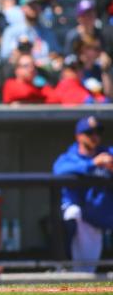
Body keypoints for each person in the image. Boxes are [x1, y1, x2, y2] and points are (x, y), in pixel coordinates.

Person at [53, 116, 113, 272]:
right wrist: (92, 164)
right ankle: (62, 263)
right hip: (79, 218)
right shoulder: (71, 156)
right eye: (89, 132)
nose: (95, 136)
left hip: (99, 219)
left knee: (87, 272)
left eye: (98, 132)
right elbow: (59, 170)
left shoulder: (107, 153)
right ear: (78, 136)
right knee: (73, 214)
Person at [0, 0, 60, 67]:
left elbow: (56, 53)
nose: (34, 8)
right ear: (23, 7)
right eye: (31, 5)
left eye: (37, 4)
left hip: (44, 71)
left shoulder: (47, 31)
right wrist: (19, 53)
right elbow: (4, 57)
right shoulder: (12, 31)